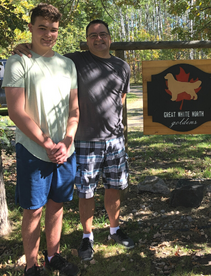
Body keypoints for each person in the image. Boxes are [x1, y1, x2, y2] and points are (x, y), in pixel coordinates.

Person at [14, 19, 134, 261]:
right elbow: (44, 50)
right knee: (86, 191)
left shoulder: (123, 67)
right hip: (84, 140)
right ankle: (87, 236)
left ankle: (114, 229)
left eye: (103, 34)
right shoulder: (74, 61)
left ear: (110, 37)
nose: (98, 39)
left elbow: (119, 100)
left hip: (115, 139)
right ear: (86, 39)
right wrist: (24, 46)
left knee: (115, 187)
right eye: (92, 35)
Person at [2, 4, 79, 276]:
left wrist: (68, 141)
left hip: (64, 152)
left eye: (54, 29)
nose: (48, 34)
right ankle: (32, 266)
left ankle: (53, 257)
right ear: (31, 28)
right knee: (33, 211)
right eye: (42, 28)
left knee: (57, 207)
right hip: (34, 150)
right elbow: (16, 111)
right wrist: (47, 143)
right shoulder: (18, 61)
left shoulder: (67, 64)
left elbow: (74, 109)